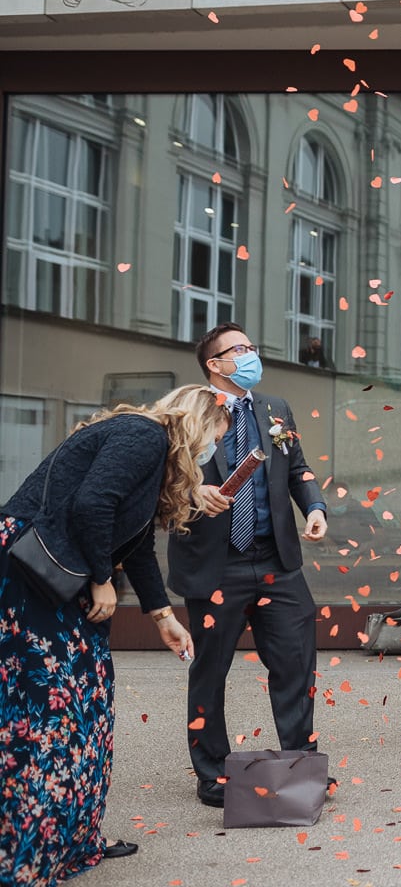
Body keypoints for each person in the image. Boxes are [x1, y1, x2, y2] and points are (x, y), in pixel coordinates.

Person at [0, 385, 220, 883]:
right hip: (36, 572)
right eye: (215, 437)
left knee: (87, 701)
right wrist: (102, 578)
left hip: (62, 573)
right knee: (50, 706)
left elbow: (136, 545)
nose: (211, 453)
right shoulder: (143, 434)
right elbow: (92, 504)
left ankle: (72, 839)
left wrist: (163, 616)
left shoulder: (153, 455)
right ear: (199, 424)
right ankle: (28, 852)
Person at [168, 323, 329, 808]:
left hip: (276, 559)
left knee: (295, 664)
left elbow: (297, 466)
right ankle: (212, 773)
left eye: (252, 347)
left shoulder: (274, 409)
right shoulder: (187, 412)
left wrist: (315, 506)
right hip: (215, 564)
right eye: (238, 350)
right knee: (211, 670)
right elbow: (165, 477)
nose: (250, 354)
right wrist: (192, 492)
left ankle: (301, 764)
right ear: (214, 364)